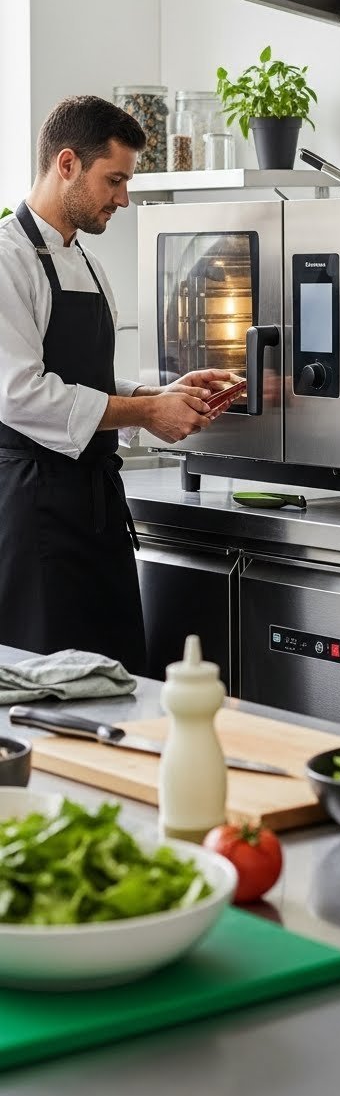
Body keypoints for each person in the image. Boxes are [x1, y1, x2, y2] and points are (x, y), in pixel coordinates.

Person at [0, 95, 240, 672]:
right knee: (47, 691)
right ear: (66, 165)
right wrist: (145, 415)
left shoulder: (87, 260)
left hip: (95, 508)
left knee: (116, 677)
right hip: (33, 512)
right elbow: (20, 394)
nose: (123, 198)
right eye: (114, 180)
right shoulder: (7, 259)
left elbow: (88, 381)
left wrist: (159, 394)